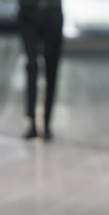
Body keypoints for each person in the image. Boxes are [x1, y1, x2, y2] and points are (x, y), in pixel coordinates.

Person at [18, 0, 63, 140]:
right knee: (31, 66)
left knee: (51, 68)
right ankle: (31, 122)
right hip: (28, 10)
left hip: (52, 9)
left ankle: (47, 123)